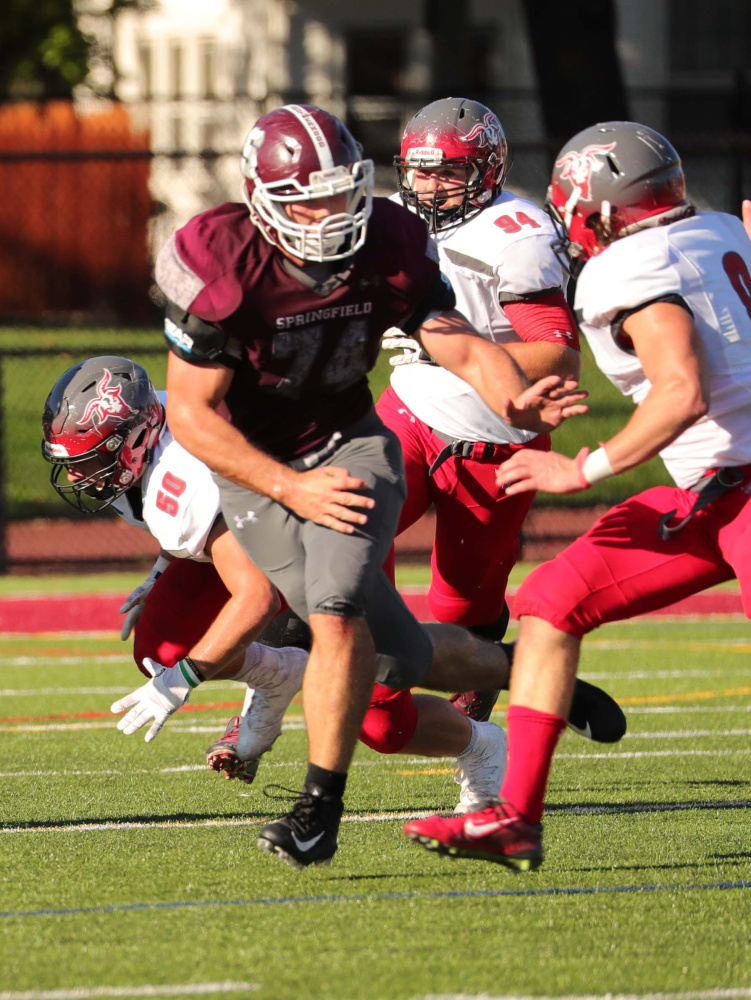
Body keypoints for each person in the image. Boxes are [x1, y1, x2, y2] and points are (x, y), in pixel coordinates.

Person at [151, 103, 587, 870]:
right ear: (260, 200)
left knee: (336, 605)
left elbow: (448, 335)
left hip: (351, 443)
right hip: (256, 464)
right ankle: (524, 672)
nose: (326, 215)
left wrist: (509, 389)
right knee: (399, 660)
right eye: (303, 200)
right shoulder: (217, 258)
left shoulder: (386, 237)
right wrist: (288, 487)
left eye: (337, 192)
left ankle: (318, 810)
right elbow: (190, 413)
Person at [404, 120, 751, 870]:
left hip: (738, 487)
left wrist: (581, 469)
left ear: (593, 210)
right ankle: (512, 818)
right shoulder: (720, 229)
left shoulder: (627, 266)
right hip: (712, 495)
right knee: (548, 606)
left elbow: (682, 390)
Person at [355, 98, 624, 786]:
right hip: (409, 411)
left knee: (461, 614)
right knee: (344, 540)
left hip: (492, 437)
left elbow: (555, 358)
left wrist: (443, 346)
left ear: (484, 168)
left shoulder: (517, 232)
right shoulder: (395, 219)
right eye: (417, 173)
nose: (426, 188)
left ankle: (475, 726)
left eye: (445, 174)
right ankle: (339, 657)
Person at [41, 355, 307, 776]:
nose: (75, 477)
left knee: (380, 714)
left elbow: (257, 596)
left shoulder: (184, 474)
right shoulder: (146, 436)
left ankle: (453, 718)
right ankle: (280, 674)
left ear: (131, 442)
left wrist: (183, 680)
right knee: (158, 646)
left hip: (323, 527)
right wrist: (160, 572)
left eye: (86, 460)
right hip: (253, 527)